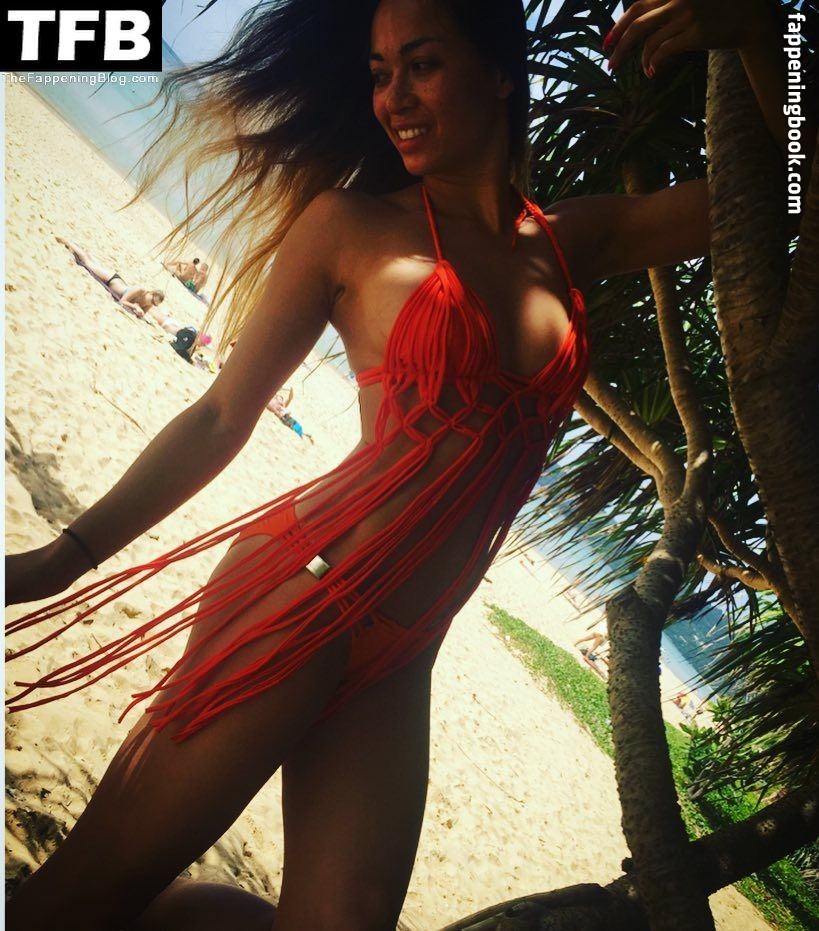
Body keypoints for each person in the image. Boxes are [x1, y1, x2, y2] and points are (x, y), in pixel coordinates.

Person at [4, 1, 806, 928]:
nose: (393, 98)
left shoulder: (571, 240)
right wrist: (62, 557)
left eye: (421, 65)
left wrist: (767, 36)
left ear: (501, 73)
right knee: (90, 889)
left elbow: (784, 188)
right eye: (380, 74)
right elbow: (222, 415)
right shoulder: (349, 225)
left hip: (407, 648)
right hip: (300, 593)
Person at [56, 237, 165, 318]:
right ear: (151, 293)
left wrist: (140, 313)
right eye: (152, 300)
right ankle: (68, 242)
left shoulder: (149, 304)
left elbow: (141, 314)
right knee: (87, 262)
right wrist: (135, 307)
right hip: (111, 279)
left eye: (154, 304)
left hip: (115, 281)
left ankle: (86, 252)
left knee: (94, 264)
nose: (151, 303)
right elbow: (122, 301)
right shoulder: (140, 290)